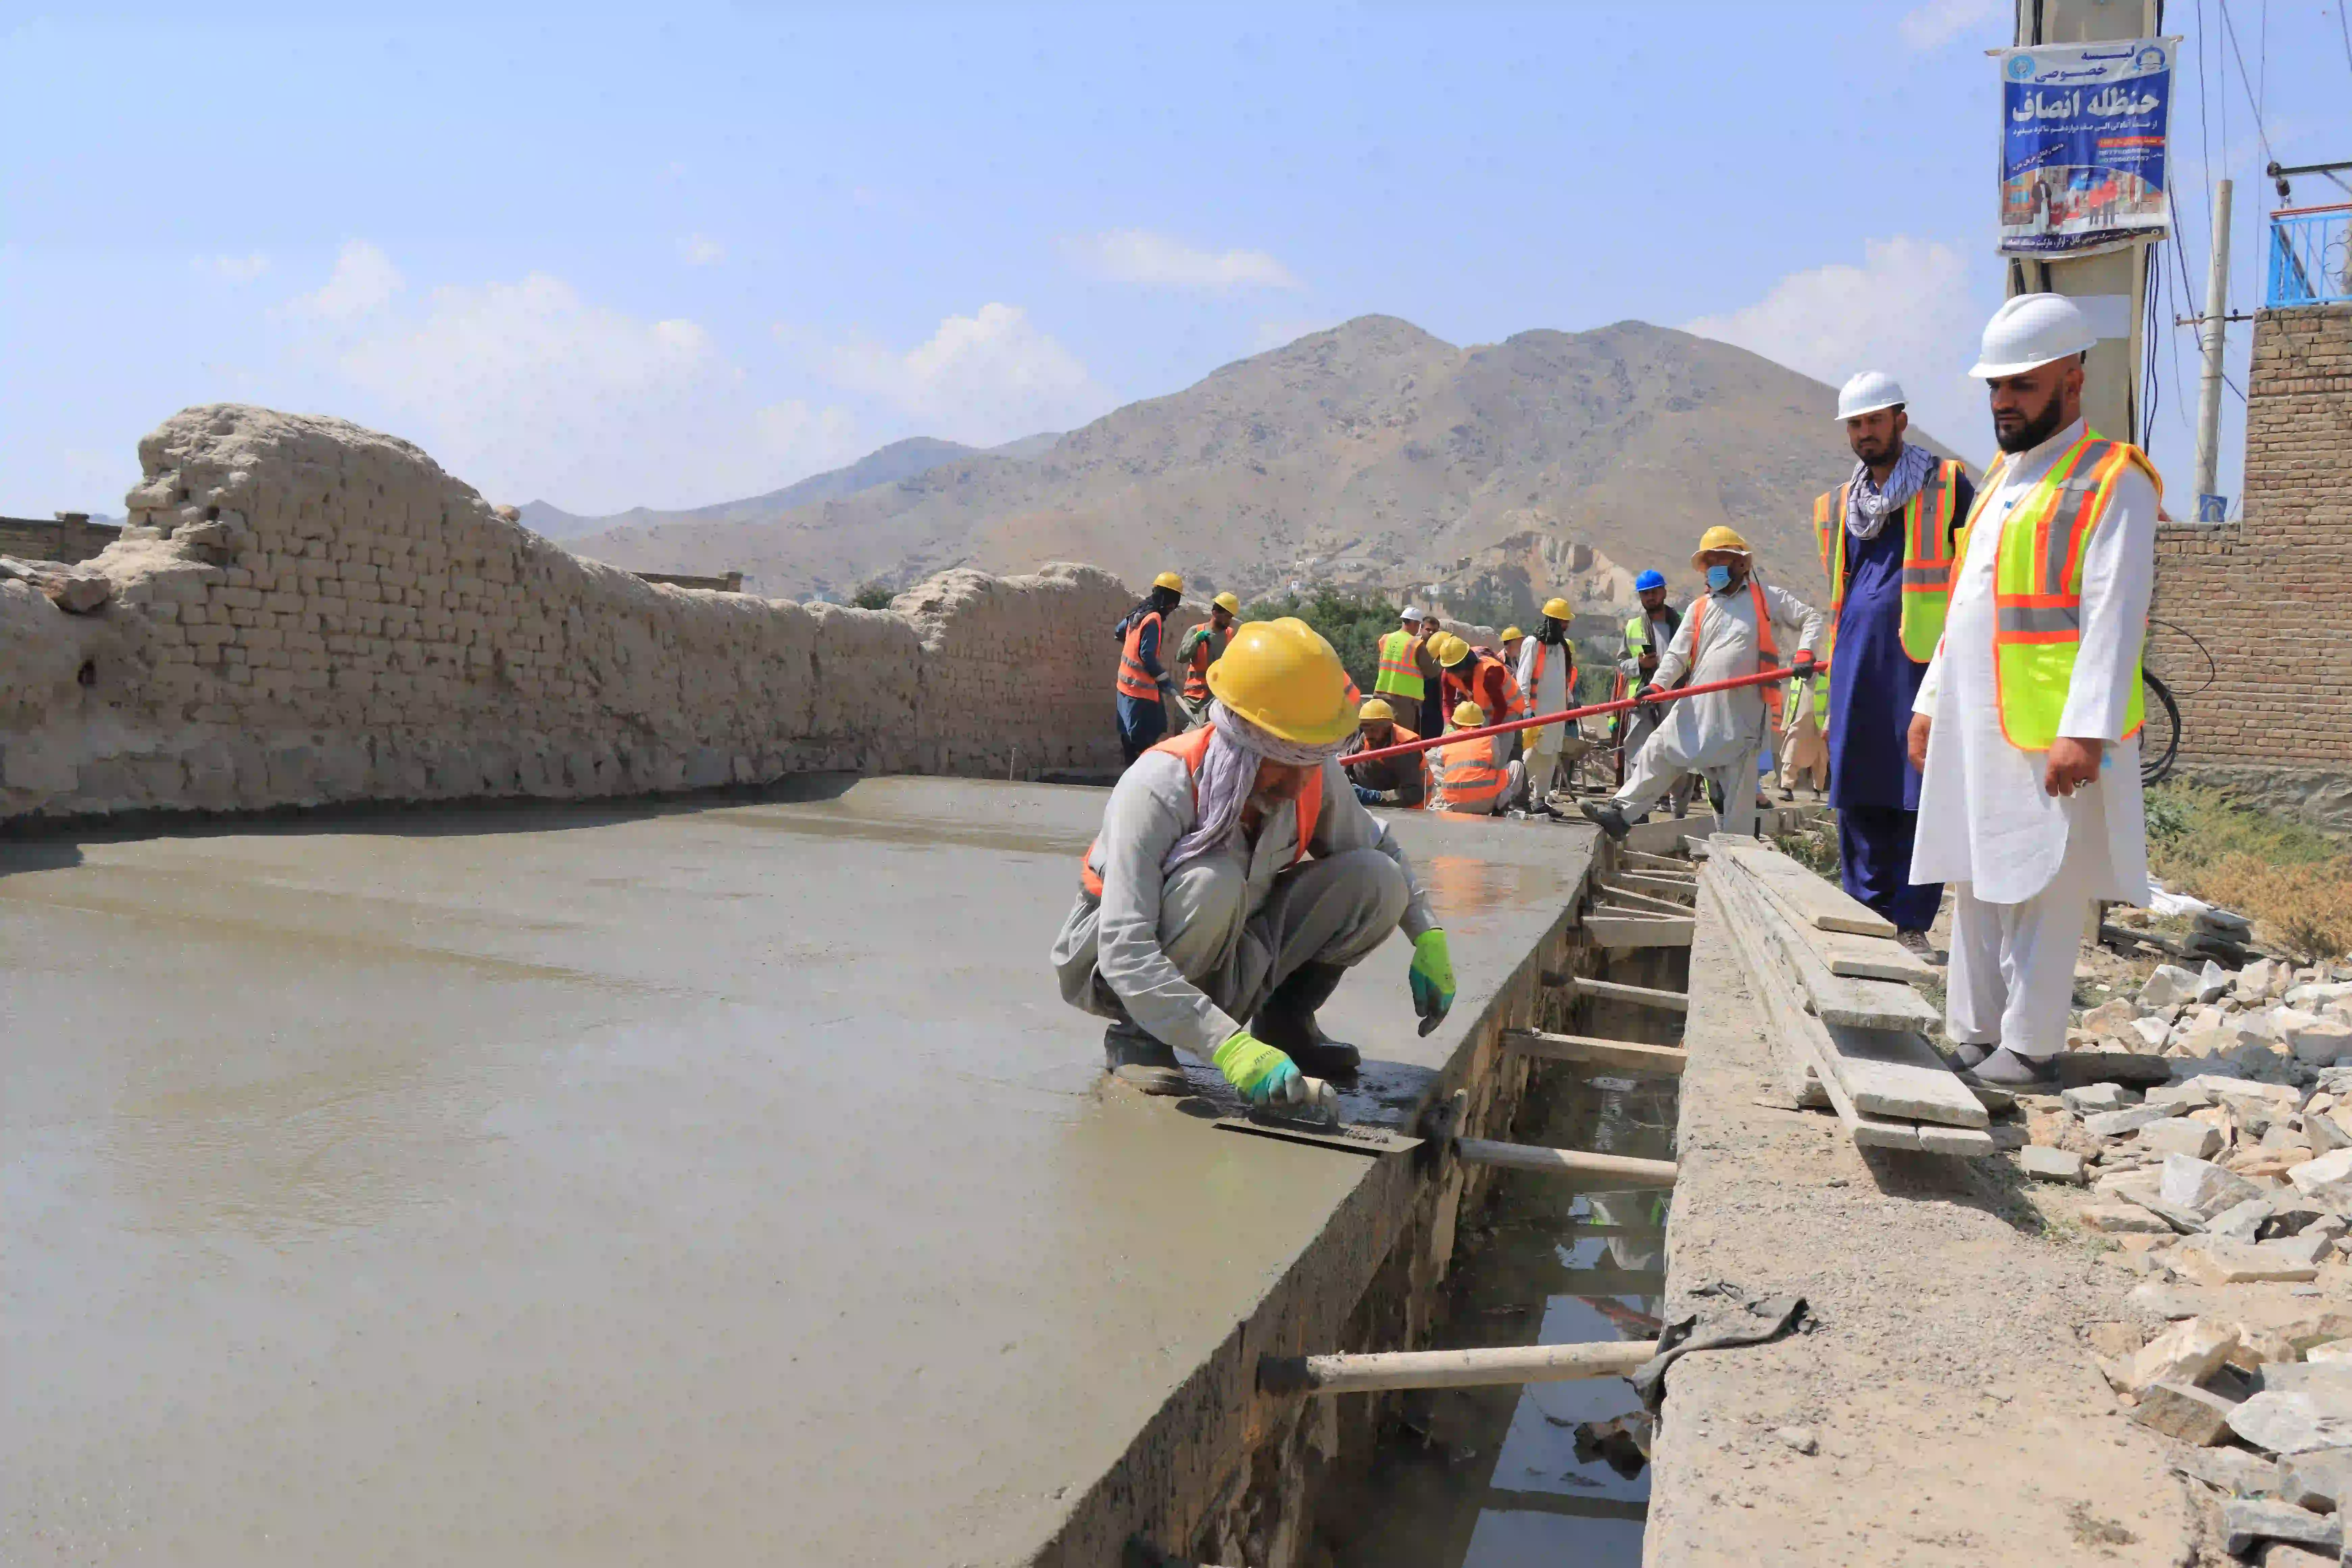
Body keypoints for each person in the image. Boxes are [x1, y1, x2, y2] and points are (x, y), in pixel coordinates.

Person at [1908, 294, 2159, 1088]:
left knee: (2045, 880)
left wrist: (2084, 728)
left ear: (2071, 380)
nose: (2002, 402)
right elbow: (1966, 603)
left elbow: (2113, 611)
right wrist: (1928, 699)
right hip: (1977, 718)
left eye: (2020, 385)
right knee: (1977, 874)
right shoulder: (1999, 482)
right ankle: (1973, 1032)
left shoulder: (2112, 478)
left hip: (2049, 723)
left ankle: (2031, 1042)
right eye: (1995, 387)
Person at [1052, 617, 1458, 1104]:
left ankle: (1286, 1022)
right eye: (1281, 764)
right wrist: (1227, 1048)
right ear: (1241, 738)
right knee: (1213, 881)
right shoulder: (1160, 786)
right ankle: (1141, 1036)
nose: (1296, 786)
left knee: (1379, 881)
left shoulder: (1310, 771)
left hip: (1236, 944)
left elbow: (1379, 847)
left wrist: (1428, 935)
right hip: (1123, 970)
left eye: (1307, 764)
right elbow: (1125, 947)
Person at [1813, 371, 1975, 940]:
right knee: (1858, 782)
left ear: (1900, 421)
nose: (1865, 433)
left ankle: (1909, 921)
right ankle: (1864, 911)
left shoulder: (1948, 485)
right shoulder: (1839, 507)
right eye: (1856, 424)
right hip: (1858, 659)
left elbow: (1972, 574)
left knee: (1915, 789)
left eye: (1875, 421)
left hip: (1920, 662)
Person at [1580, 528, 1821, 842]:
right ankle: (1621, 814)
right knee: (1660, 748)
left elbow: (1811, 619)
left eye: (1721, 559)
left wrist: (1806, 652)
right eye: (1709, 563)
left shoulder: (1767, 600)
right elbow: (1676, 655)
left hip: (1744, 707)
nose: (1714, 568)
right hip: (1699, 701)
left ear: (1741, 564)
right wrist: (1658, 687)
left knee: (1736, 786)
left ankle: (1738, 853)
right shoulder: (1700, 608)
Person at [1612, 571, 1682, 792]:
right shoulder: (1634, 626)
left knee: (1676, 751)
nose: (1650, 598)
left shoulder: (1682, 624)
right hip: (1643, 701)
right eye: (1645, 594)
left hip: (1675, 698)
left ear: (1664, 593)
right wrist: (1640, 665)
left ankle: (1671, 802)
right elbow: (1622, 664)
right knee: (1637, 752)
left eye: (1653, 592)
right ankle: (1634, 804)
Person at [1112, 571, 1184, 765]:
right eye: (1173, 603)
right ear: (1167, 600)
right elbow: (1148, 657)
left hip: (1124, 689)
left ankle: (1129, 781)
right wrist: (1165, 681)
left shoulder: (1139, 612)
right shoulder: (1154, 620)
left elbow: (1119, 632)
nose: (1172, 608)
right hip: (1141, 693)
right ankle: (1140, 783)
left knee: (1129, 741)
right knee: (1148, 740)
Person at [1515, 598, 1575, 807]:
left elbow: (1563, 679)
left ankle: (1540, 800)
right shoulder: (1533, 644)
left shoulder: (1562, 647)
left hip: (1558, 713)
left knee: (1551, 756)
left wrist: (1570, 703)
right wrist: (1526, 708)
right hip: (1537, 712)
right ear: (1554, 621)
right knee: (1532, 756)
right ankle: (1519, 797)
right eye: (1564, 622)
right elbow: (1523, 678)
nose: (1567, 627)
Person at [1426, 701, 1522, 816]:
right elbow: (1495, 764)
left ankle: (1440, 801)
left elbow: (1441, 762)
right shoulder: (1490, 738)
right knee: (1517, 766)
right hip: (1486, 802)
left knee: (1436, 766)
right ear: (1481, 723)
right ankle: (1499, 809)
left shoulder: (1447, 740)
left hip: (1454, 804)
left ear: (1456, 724)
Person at [1429, 633, 1524, 739]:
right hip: (1485, 710)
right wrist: (1449, 725)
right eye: (1451, 669)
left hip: (1509, 708)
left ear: (1467, 663)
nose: (1455, 674)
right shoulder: (1448, 675)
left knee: (1496, 749)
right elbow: (1448, 703)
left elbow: (1501, 708)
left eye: (1457, 668)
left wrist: (1489, 734)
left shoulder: (1490, 673)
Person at [1173, 591, 1241, 729]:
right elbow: (1181, 657)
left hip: (1218, 698)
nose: (1229, 621)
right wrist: (1196, 640)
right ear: (1215, 612)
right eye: (1226, 616)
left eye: (1231, 617)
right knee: (1183, 732)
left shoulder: (1232, 636)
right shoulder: (1196, 631)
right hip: (1194, 696)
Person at [1341, 697, 1426, 808]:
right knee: (1360, 758)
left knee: (1365, 759)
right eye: (1365, 728)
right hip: (1386, 785)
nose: (1368, 734)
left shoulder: (1405, 747)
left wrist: (1376, 797)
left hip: (1410, 806)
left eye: (1374, 729)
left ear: (1387, 727)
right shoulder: (1367, 737)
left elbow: (1414, 793)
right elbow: (1348, 761)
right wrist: (1340, 784)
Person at [1372, 606, 1433, 736]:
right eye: (1418, 625)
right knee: (1402, 739)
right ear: (1414, 623)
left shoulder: (1386, 639)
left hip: (1381, 695)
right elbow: (1432, 671)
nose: (1418, 629)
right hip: (1404, 701)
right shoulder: (1416, 644)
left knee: (1381, 737)